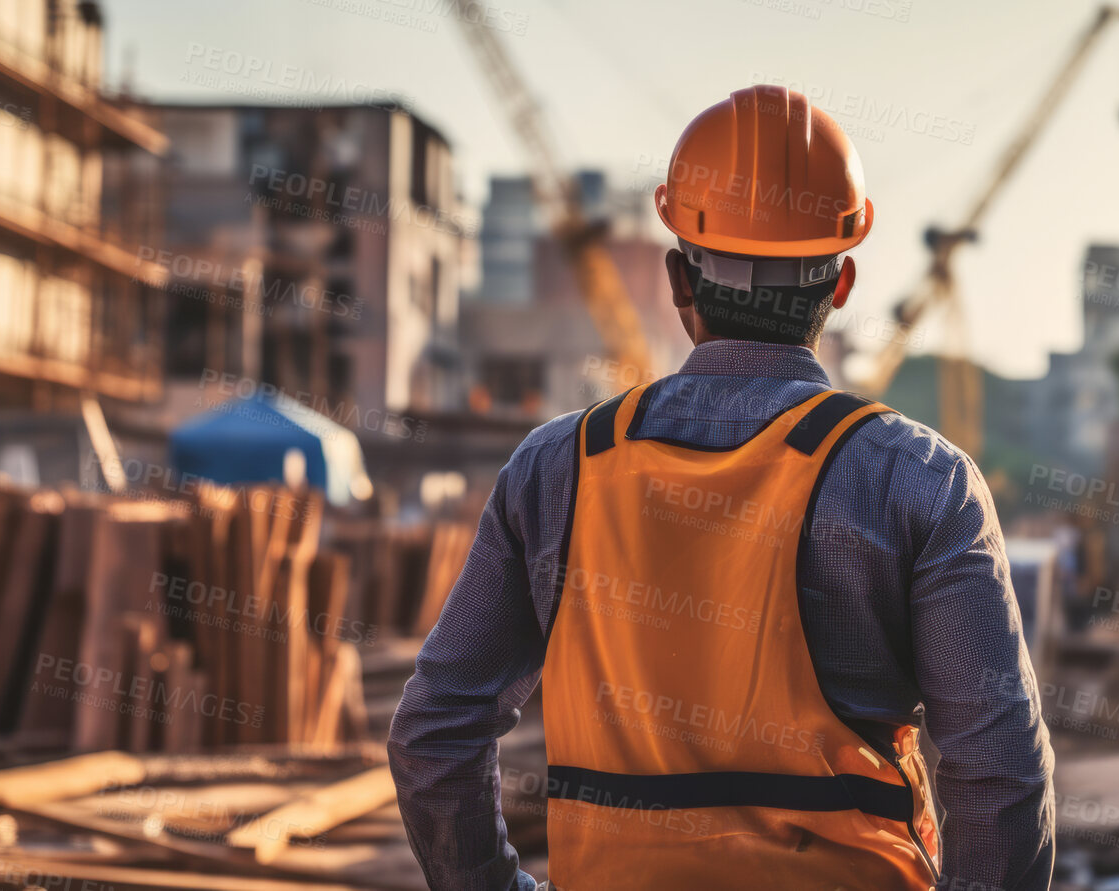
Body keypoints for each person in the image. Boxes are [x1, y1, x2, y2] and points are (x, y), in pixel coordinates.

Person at [388, 86, 1055, 891]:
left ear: (679, 278)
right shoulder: (917, 480)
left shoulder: (556, 467)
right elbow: (999, 773)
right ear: (839, 284)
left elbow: (434, 728)